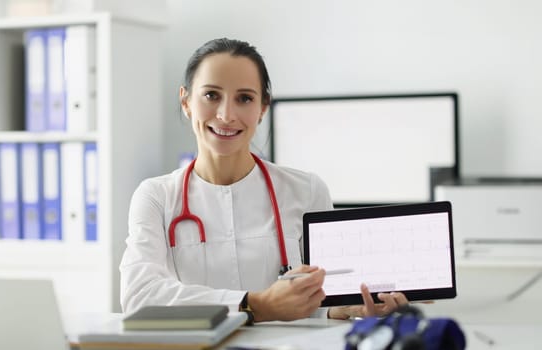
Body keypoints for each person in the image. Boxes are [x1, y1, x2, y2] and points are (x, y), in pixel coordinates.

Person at [119, 38, 408, 322]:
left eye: (244, 98)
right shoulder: (155, 197)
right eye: (211, 95)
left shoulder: (307, 191)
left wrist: (347, 308)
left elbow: (324, 299)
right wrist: (257, 304)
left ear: (263, 108)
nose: (226, 115)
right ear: (186, 102)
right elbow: (139, 297)